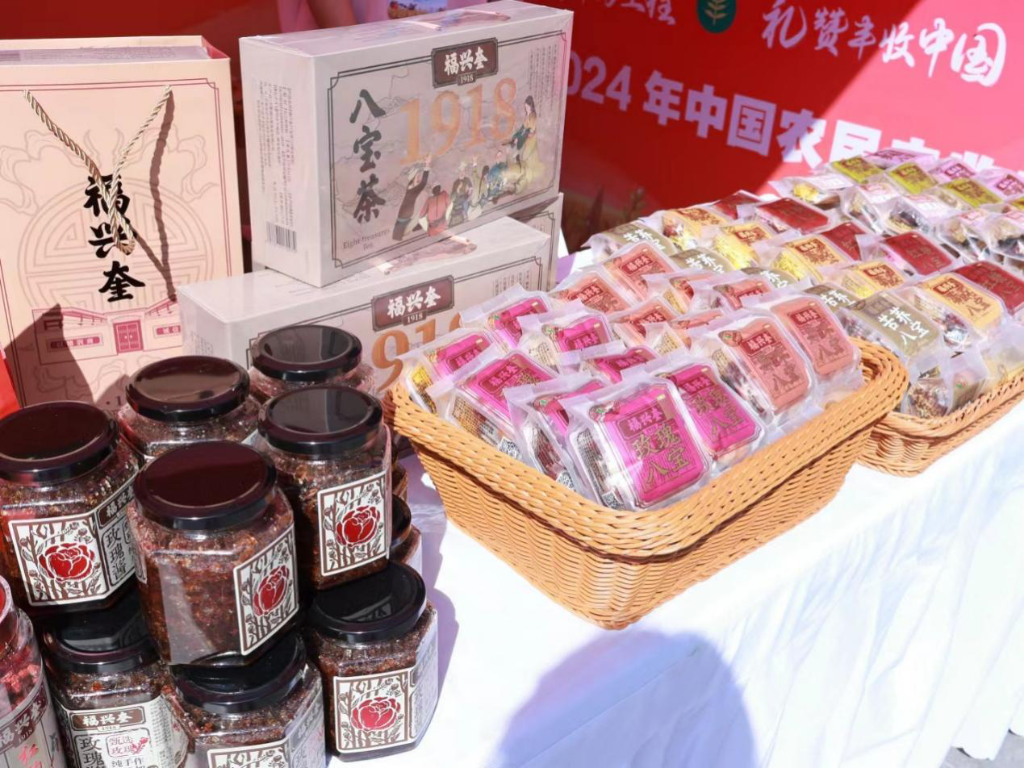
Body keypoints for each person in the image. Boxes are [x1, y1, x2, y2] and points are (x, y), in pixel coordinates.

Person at [392, 160, 430, 241]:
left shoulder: (411, 188)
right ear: (413, 179)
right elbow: (423, 183)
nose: (419, 179)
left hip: (404, 215)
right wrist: (426, 165)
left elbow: (422, 183)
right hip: (404, 215)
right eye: (417, 178)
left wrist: (426, 166)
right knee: (398, 234)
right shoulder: (412, 189)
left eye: (419, 178)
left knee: (398, 234)